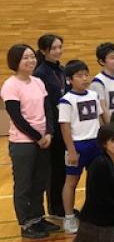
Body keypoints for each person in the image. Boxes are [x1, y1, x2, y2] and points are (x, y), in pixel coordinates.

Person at [1, 43, 57, 239]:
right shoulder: (10, 85)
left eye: (32, 56)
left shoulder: (37, 82)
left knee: (40, 181)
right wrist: (38, 137)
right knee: (24, 184)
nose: (31, 60)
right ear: (15, 61)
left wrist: (49, 132)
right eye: (25, 57)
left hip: (43, 140)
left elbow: (47, 108)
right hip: (23, 143)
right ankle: (26, 223)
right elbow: (17, 118)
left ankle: (38, 218)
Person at [59, 59, 103, 234]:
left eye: (86, 74)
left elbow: (100, 118)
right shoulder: (66, 101)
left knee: (96, 181)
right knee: (71, 182)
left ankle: (93, 213)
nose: (85, 78)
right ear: (70, 80)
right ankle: (69, 217)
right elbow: (65, 127)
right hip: (77, 146)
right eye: (79, 76)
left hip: (96, 144)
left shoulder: (93, 95)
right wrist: (71, 150)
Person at [33, 34, 66, 219]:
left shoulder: (61, 70)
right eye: (53, 48)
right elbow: (44, 106)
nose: (58, 51)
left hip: (64, 124)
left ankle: (61, 205)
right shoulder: (40, 73)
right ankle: (55, 207)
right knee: (54, 170)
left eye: (60, 47)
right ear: (44, 51)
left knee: (62, 168)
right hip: (52, 126)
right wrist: (49, 130)